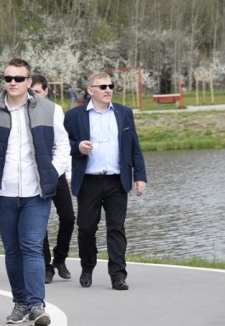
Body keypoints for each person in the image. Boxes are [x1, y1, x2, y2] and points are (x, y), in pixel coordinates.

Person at [0, 58, 69, 326]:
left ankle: (37, 305)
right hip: (2, 193)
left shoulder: (51, 110)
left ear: (29, 82)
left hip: (36, 194)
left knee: (32, 247)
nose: (12, 83)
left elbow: (63, 147)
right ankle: (20, 303)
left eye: (18, 78)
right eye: (8, 78)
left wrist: (52, 172)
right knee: (13, 250)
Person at [64, 71, 147, 291]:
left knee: (116, 228)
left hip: (117, 181)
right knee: (86, 228)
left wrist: (140, 176)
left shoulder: (124, 113)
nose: (108, 89)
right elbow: (63, 146)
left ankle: (118, 275)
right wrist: (78, 148)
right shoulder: (74, 116)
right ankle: (87, 267)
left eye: (110, 86)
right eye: (102, 87)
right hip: (89, 181)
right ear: (90, 90)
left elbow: (134, 147)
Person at [31, 74, 75, 283]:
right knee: (40, 221)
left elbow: (62, 144)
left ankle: (60, 258)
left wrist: (66, 173)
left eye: (37, 91)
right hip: (34, 175)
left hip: (55, 173)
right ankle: (46, 266)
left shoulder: (54, 111)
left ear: (46, 91)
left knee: (68, 217)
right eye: (31, 92)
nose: (34, 96)